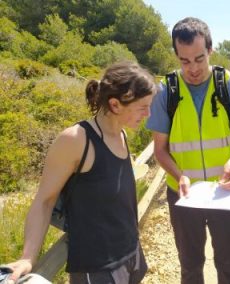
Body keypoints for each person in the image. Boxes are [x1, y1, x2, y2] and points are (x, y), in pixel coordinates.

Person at [5, 61, 157, 284]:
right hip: (97, 269)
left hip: (131, 254)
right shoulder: (76, 140)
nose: (148, 114)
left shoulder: (122, 135)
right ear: (115, 105)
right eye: (143, 107)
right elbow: (44, 201)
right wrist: (28, 256)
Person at [146, 17, 230, 284]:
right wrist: (179, 174)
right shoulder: (166, 92)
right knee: (191, 266)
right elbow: (160, 150)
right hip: (182, 195)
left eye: (199, 58)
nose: (192, 68)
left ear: (210, 50)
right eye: (184, 61)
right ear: (176, 55)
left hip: (226, 195)